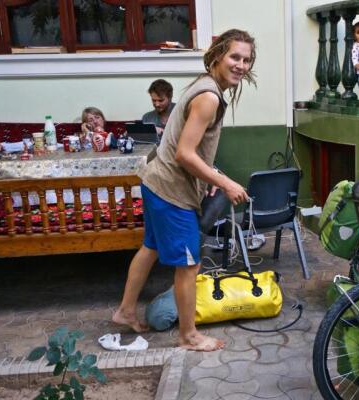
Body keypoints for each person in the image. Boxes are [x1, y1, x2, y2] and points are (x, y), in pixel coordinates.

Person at [112, 29, 255, 352]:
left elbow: (186, 149)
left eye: (246, 59)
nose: (241, 65)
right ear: (218, 55)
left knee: (150, 247)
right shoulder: (209, 96)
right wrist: (225, 182)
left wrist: (207, 178)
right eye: (235, 57)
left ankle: (125, 310)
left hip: (154, 181)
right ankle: (189, 336)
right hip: (170, 191)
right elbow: (185, 154)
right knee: (189, 265)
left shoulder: (204, 85)